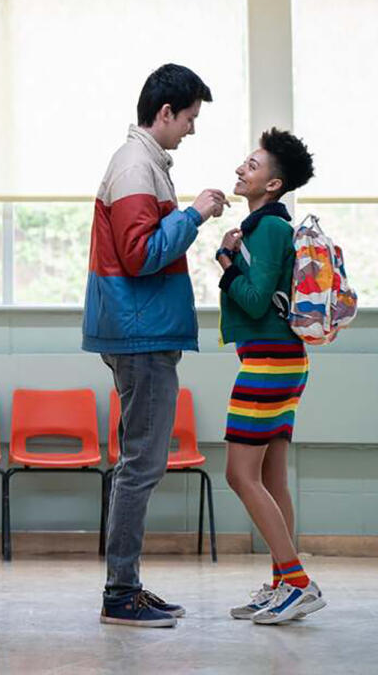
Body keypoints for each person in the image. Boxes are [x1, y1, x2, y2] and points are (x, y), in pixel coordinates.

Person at [83, 63, 228, 628]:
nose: (192, 129)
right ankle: (121, 594)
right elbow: (141, 254)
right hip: (139, 333)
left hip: (142, 330)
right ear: (165, 113)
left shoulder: (144, 165)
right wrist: (195, 215)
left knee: (139, 463)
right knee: (140, 466)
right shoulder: (135, 167)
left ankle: (128, 588)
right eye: (189, 117)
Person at [215, 128, 324, 625]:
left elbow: (256, 301)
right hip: (282, 360)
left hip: (268, 363)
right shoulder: (269, 225)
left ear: (273, 184)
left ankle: (297, 582)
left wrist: (225, 263)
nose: (241, 169)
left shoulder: (268, 228)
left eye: (252, 165)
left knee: (239, 474)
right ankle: (284, 582)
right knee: (272, 476)